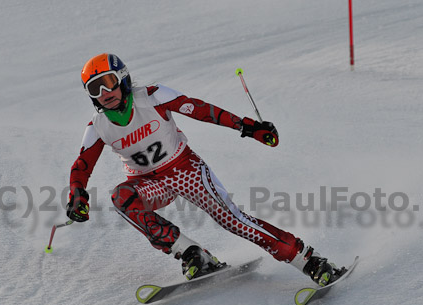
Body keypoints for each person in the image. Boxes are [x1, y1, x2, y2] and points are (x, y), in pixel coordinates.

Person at [67, 53, 336, 286]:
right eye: (95, 89)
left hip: (185, 169)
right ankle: (191, 253)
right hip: (149, 184)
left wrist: (247, 126)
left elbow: (199, 109)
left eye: (109, 84)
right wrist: (77, 194)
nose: (105, 94)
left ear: (123, 79)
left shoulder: (152, 97)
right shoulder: (98, 127)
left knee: (233, 221)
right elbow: (82, 166)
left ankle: (308, 260)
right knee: (121, 197)